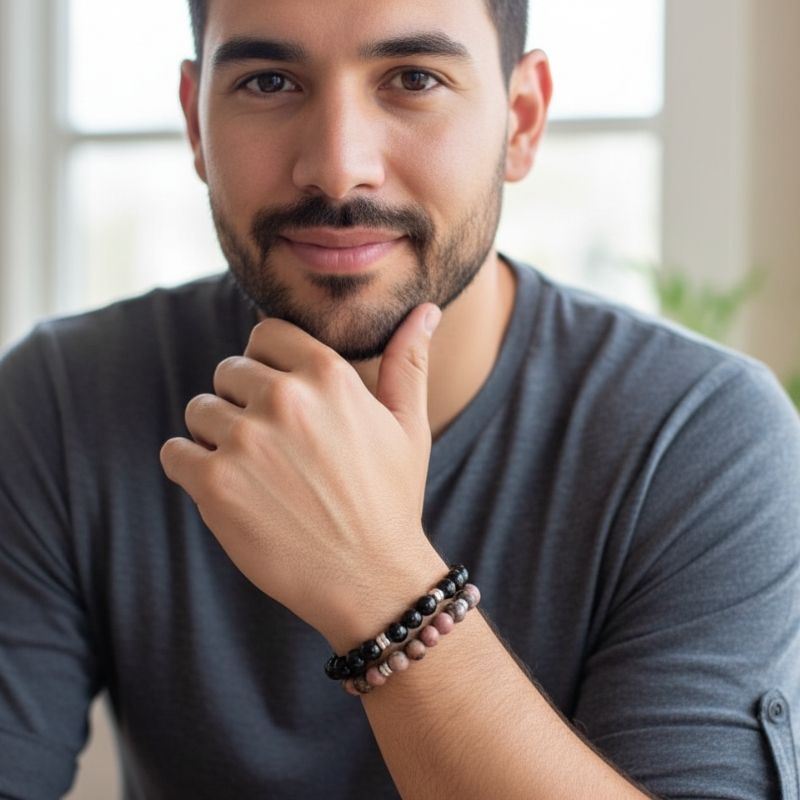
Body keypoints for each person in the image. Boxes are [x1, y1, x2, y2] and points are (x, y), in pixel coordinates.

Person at [1, 0, 798, 797]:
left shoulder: (705, 439)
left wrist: (381, 586)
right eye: (269, 81)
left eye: (414, 79)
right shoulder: (61, 401)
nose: (338, 165)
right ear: (196, 124)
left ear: (520, 121)